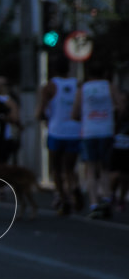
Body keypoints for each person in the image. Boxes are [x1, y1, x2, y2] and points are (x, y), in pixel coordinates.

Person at [73, 60, 120, 219]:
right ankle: (106, 198)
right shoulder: (109, 87)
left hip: (89, 131)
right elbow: (120, 106)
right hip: (106, 130)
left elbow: (75, 112)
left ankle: (94, 204)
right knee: (105, 168)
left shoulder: (83, 88)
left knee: (91, 169)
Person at [35, 59, 81, 215]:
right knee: (70, 168)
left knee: (56, 168)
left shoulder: (50, 86)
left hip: (56, 132)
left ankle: (64, 199)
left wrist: (41, 117)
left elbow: (40, 111)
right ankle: (74, 187)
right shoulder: (78, 85)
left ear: (53, 70)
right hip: (75, 131)